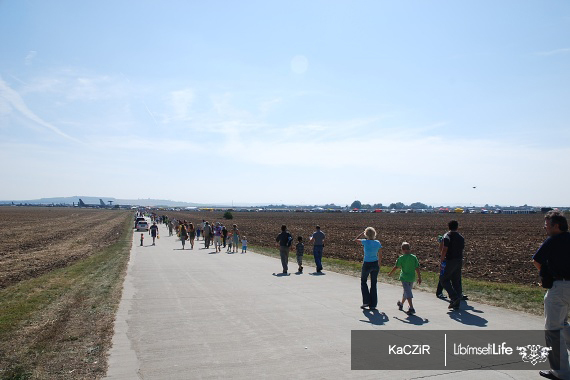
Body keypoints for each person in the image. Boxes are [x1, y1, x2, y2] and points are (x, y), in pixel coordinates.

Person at [533, 210, 570, 380]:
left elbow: (537, 260)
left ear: (556, 226)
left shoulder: (552, 241)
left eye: (547, 224)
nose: (545, 227)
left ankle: (560, 372)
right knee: (563, 323)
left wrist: (545, 276)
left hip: (559, 287)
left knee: (553, 329)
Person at [389, 242, 422, 315]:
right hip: (411, 277)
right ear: (409, 249)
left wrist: (390, 273)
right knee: (407, 291)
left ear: (402, 249)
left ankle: (411, 308)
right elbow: (417, 268)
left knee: (407, 292)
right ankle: (401, 304)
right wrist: (419, 277)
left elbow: (396, 266)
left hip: (404, 277)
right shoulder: (414, 257)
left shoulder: (401, 258)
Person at [354, 227, 382, 310]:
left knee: (363, 281)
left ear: (366, 234)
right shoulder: (377, 243)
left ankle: (366, 301)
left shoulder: (365, 242)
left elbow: (355, 239)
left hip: (366, 263)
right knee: (373, 284)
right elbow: (380, 255)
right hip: (375, 263)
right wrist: (379, 264)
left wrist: (362, 234)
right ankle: (373, 304)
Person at [439, 220, 464, 310]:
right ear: (457, 227)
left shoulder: (447, 236)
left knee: (443, 279)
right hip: (459, 260)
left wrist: (442, 259)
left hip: (449, 260)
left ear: (448, 227)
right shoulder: (461, 237)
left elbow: (444, 248)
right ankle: (457, 301)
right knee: (456, 280)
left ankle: (454, 297)